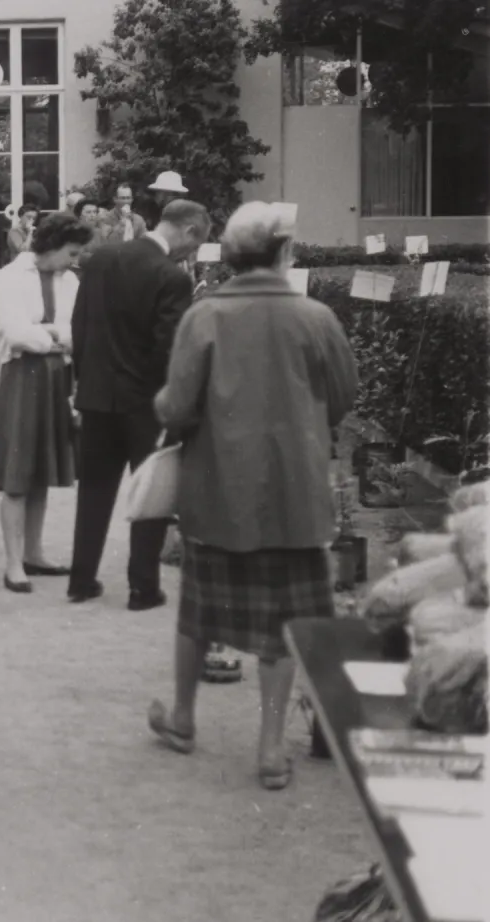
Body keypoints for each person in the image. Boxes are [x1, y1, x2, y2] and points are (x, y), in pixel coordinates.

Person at [146, 202, 358, 790]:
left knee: (198, 611)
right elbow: (344, 396)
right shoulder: (316, 317)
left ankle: (184, 719)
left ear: (231, 256)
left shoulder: (204, 315)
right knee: (285, 625)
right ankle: (270, 748)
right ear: (284, 253)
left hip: (218, 494)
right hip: (297, 498)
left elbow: (178, 406)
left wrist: (165, 411)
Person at [66, 200, 211, 609]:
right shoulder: (172, 278)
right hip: (145, 403)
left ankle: (81, 581)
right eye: (195, 243)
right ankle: (142, 589)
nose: (192, 253)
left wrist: (86, 379)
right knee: (151, 493)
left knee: (93, 490)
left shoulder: (100, 259)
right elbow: (170, 348)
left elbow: (79, 325)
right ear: (187, 230)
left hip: (95, 395)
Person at [0, 214, 94, 591]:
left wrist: (49, 334)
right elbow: (14, 333)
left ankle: (34, 552)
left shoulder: (70, 280)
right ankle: (13, 563)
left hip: (59, 378)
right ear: (52, 244)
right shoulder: (12, 276)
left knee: (41, 469)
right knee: (17, 474)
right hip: (23, 378)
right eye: (71, 252)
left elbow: (79, 330)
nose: (74, 260)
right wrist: (55, 337)